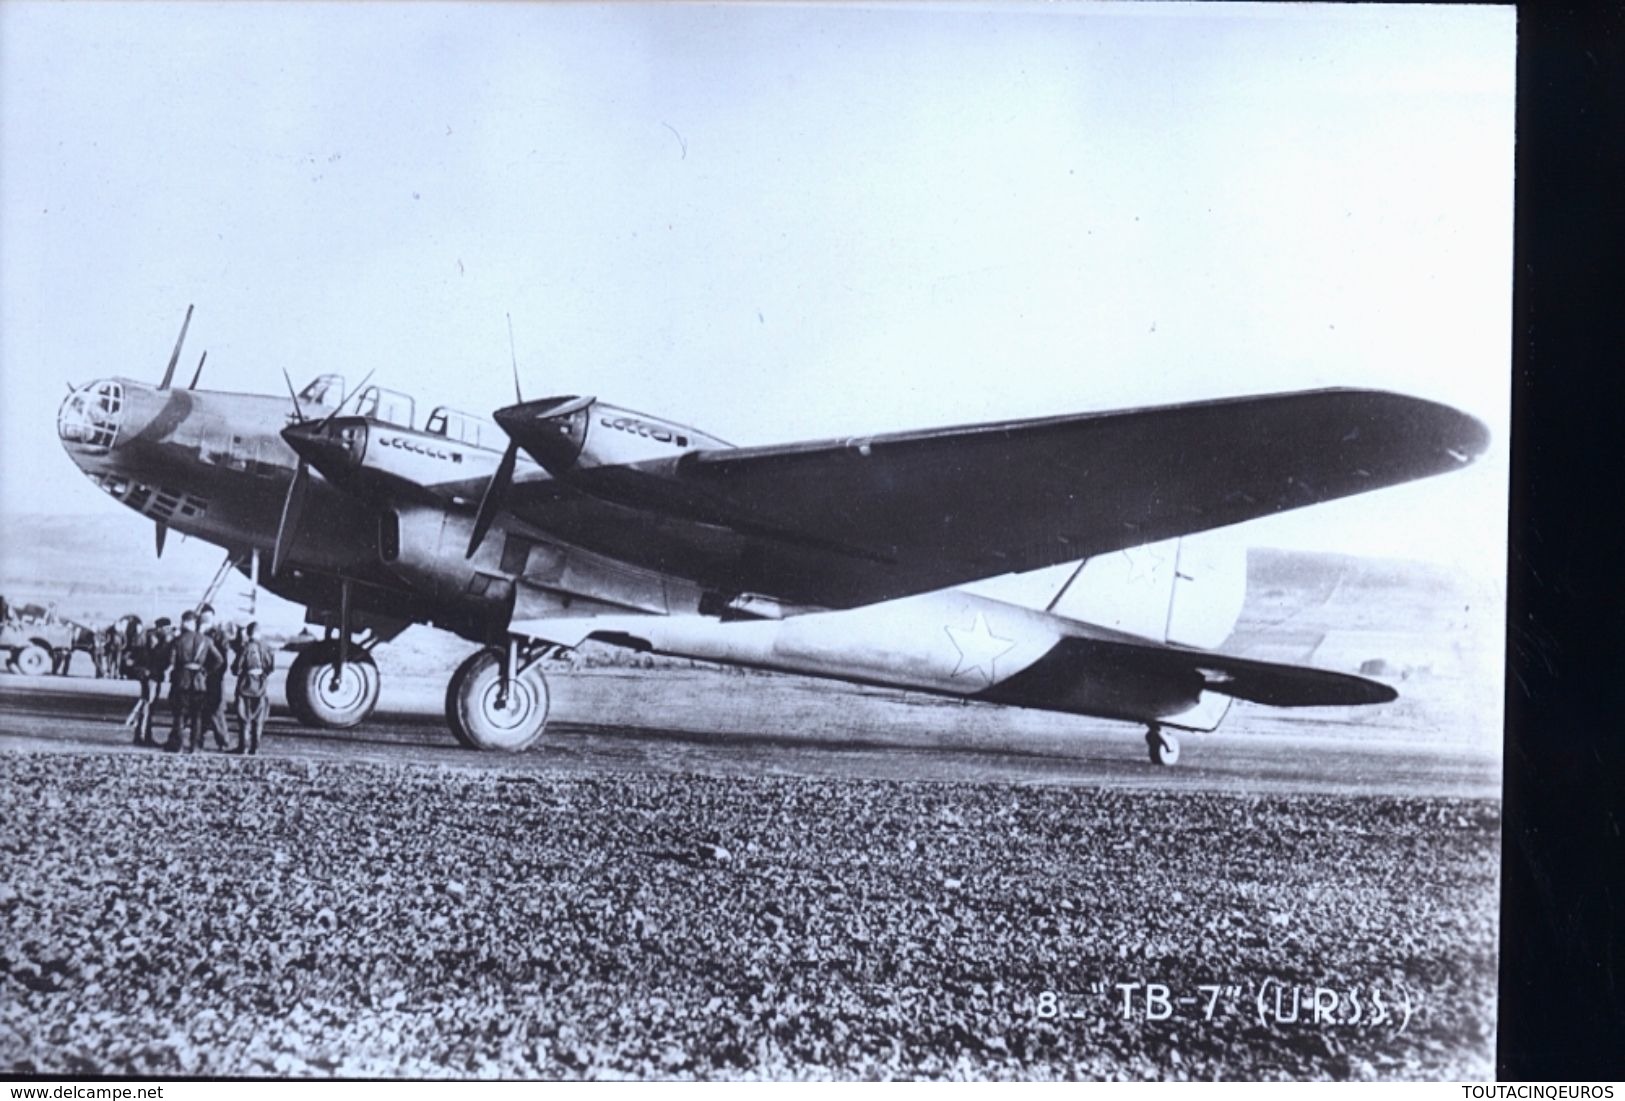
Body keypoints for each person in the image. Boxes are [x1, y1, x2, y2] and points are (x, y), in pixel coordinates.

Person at [167, 611, 222, 754]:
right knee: (197, 715)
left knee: (180, 715)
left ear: (185, 622)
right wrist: (206, 671)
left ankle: (178, 745)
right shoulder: (206, 640)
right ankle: (195, 746)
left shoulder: (178, 640)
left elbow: (170, 661)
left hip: (182, 681)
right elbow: (219, 660)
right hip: (199, 682)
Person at [124, 617, 170, 746]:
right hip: (151, 675)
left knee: (147, 704)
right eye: (166, 628)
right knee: (148, 705)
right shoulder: (154, 639)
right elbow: (156, 658)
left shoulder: (148, 636)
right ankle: (143, 736)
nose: (168, 631)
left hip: (148, 674)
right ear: (161, 628)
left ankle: (143, 735)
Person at [231, 622, 275, 755]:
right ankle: (255, 748)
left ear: (248, 633)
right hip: (261, 686)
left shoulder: (245, 647)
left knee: (244, 717)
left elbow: (236, 668)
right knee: (259, 719)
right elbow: (271, 667)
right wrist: (262, 675)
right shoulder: (267, 647)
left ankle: (243, 747)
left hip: (245, 685)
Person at [197, 605, 232, 752]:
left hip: (214, 679)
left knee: (216, 711)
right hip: (200, 679)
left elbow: (223, 661)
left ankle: (223, 741)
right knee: (201, 710)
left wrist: (210, 672)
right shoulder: (197, 634)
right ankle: (199, 740)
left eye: (209, 617)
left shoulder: (219, 636)